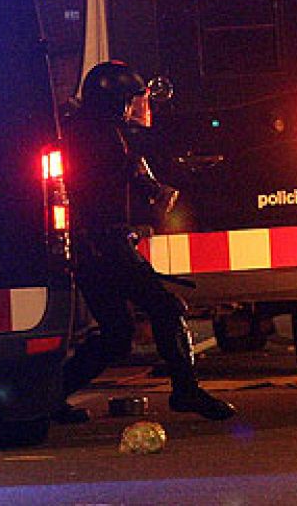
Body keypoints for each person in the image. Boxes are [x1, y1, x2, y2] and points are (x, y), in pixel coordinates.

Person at [56, 61, 235, 422]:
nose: (139, 108)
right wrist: (157, 189)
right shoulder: (99, 137)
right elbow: (125, 167)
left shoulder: (93, 130)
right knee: (167, 308)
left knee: (117, 333)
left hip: (95, 246)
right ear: (117, 102)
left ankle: (48, 396)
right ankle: (186, 391)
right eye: (132, 100)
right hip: (103, 245)